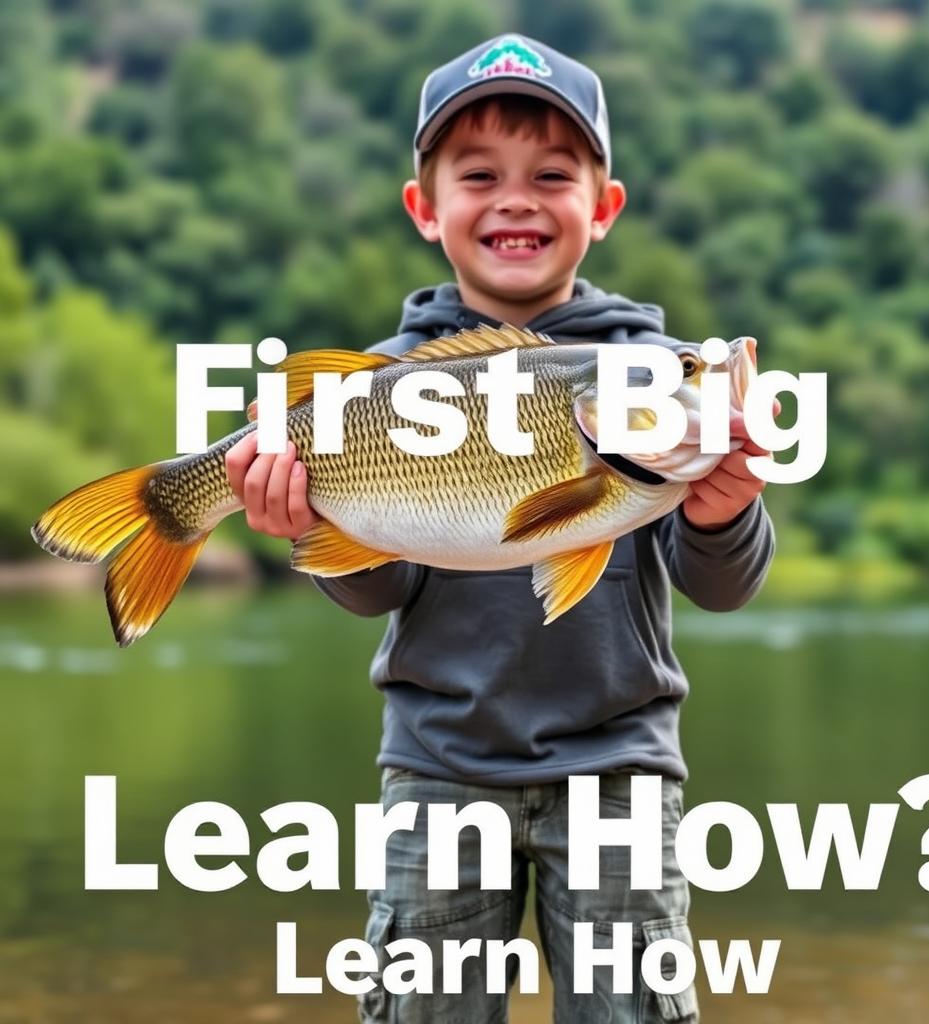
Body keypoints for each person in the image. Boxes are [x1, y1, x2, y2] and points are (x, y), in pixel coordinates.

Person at [225, 33, 774, 1024]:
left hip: (618, 771)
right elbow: (377, 588)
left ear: (602, 208)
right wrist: (310, 529)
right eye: (479, 175)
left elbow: (723, 583)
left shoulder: (650, 372)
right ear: (424, 208)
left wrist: (723, 509)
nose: (517, 198)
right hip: (437, 765)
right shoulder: (380, 379)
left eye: (552, 175)